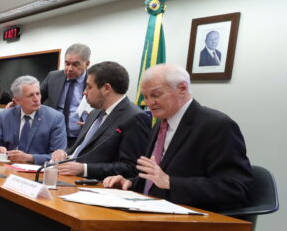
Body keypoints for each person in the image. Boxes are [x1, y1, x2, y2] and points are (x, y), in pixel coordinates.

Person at [102, 64, 252, 212]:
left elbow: (235, 188)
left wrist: (170, 182)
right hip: (150, 210)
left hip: (192, 219)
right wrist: (130, 182)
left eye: (155, 95)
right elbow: (157, 179)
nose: (149, 103)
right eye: (145, 97)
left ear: (182, 88)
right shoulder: (160, 123)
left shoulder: (216, 125)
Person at [48, 61, 150, 179]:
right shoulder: (94, 113)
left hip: (93, 184)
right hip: (65, 176)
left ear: (106, 88)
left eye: (89, 87)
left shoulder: (135, 118)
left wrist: (85, 169)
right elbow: (81, 149)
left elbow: (132, 168)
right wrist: (65, 153)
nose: (84, 92)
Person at [0, 76, 66, 165]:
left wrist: (30, 158)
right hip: (6, 167)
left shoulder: (55, 118)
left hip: (37, 169)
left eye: (38, 93)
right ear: (17, 100)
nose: (36, 99)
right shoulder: (5, 116)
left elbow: (58, 157)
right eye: (30, 95)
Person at [41, 43, 91, 147]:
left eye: (75, 64)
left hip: (81, 137)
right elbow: (36, 99)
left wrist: (93, 120)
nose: (69, 69)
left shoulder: (94, 81)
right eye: (67, 63)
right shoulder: (53, 77)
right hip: (53, 135)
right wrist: (19, 105)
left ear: (87, 64)